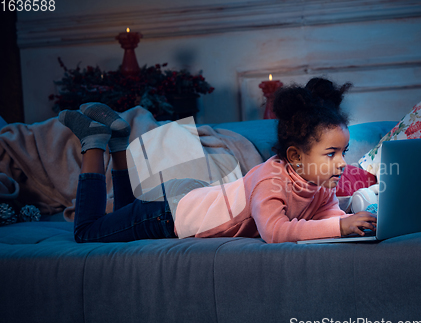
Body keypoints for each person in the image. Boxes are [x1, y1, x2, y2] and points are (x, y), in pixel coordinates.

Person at [59, 77, 376, 244]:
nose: (342, 164)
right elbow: (276, 232)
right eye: (331, 154)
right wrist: (340, 225)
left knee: (121, 218)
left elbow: (329, 218)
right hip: (168, 214)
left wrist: (356, 219)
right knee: (88, 232)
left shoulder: (318, 184)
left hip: (189, 196)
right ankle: (94, 143)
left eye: (343, 152)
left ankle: (117, 142)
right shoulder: (271, 179)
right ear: (295, 156)